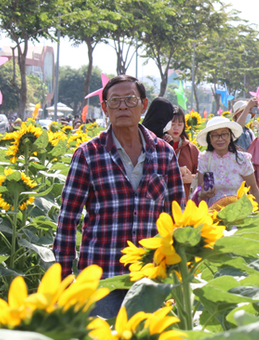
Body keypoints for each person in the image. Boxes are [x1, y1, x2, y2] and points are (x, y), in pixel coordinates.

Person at [53, 75, 186, 318]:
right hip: (101, 279)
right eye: (114, 101)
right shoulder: (88, 154)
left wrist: (179, 271)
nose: (122, 106)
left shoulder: (164, 153)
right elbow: (67, 218)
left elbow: (177, 215)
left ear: (143, 106)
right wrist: (63, 278)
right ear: (104, 108)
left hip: (150, 280)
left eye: (130, 100)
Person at [196, 116, 259, 206]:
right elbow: (199, 191)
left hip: (238, 213)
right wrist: (202, 194)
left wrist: (258, 216)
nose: (220, 139)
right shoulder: (204, 159)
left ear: (230, 136)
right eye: (215, 135)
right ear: (209, 139)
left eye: (224, 134)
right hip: (213, 215)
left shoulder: (242, 159)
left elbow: (253, 190)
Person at [164, 107, 199, 200]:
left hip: (185, 202)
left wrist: (192, 179)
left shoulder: (191, 148)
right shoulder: (158, 145)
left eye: (180, 124)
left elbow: (203, 174)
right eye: (172, 124)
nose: (176, 128)